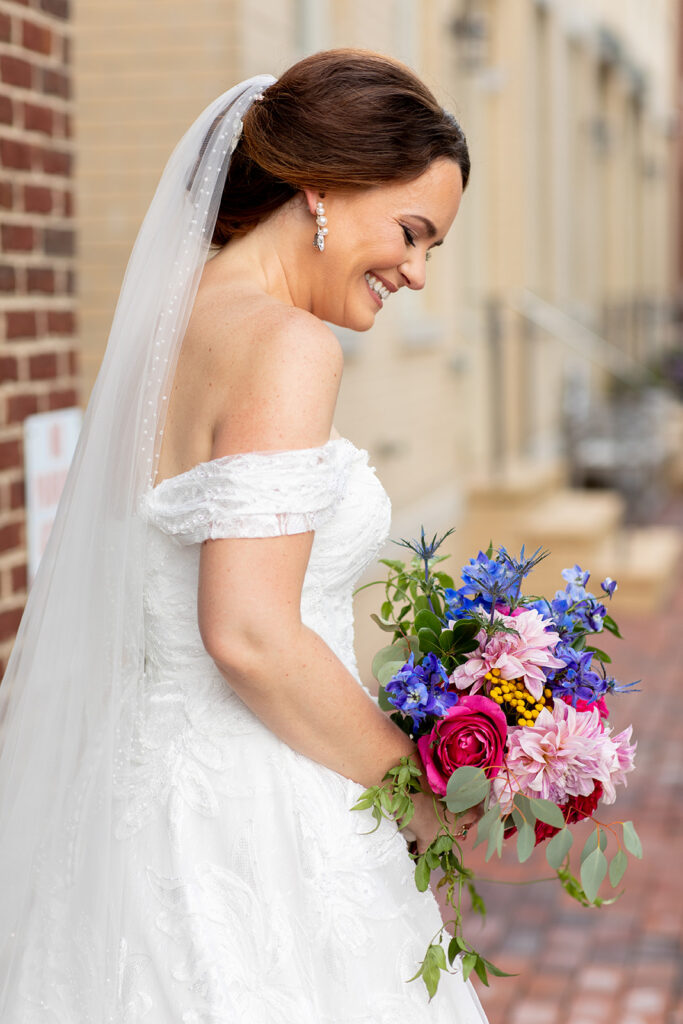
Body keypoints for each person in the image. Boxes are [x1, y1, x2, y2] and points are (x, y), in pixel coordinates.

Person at [0, 50, 486, 1022]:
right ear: (324, 190)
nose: (418, 273)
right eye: (410, 232)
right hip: (256, 818)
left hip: (135, 809)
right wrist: (414, 791)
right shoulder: (288, 343)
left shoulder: (162, 333)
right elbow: (251, 634)